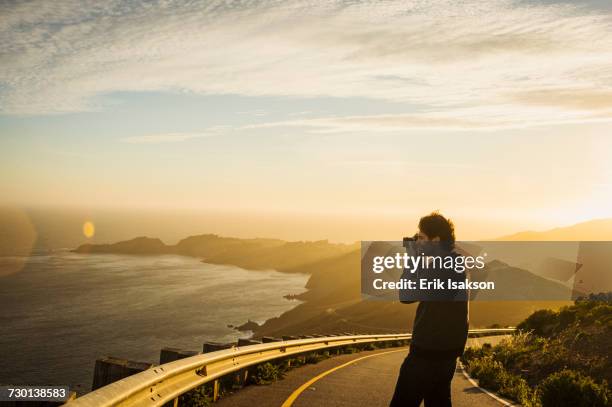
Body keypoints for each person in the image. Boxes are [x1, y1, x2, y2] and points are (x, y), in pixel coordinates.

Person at [389, 212, 469, 407]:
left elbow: (405, 296)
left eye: (422, 238)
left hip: (426, 355)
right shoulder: (455, 261)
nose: (418, 241)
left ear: (436, 240)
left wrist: (412, 259)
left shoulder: (444, 266)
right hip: (445, 354)